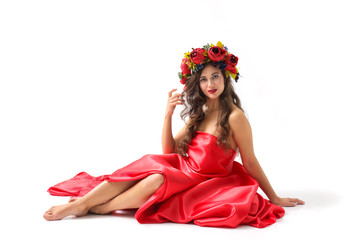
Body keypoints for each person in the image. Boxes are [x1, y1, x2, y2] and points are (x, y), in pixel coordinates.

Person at [43, 41, 304, 228]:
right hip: (182, 169)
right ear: (197, 84)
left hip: (203, 179)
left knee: (157, 177)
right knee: (150, 165)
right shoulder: (199, 113)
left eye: (215, 77)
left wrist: (274, 196)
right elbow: (169, 152)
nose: (210, 84)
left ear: (226, 78)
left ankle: (98, 207)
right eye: (203, 79)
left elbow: (250, 162)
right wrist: (167, 115)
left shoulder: (235, 117)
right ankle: (83, 204)